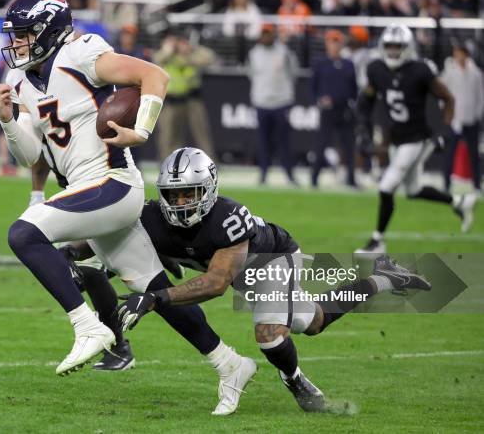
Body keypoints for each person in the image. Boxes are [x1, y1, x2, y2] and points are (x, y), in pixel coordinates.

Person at [0, 0, 254, 406]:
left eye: (25, 34)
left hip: (113, 183)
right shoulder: (19, 82)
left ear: (49, 30)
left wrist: (143, 130)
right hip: (87, 190)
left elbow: (156, 76)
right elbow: (29, 155)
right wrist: (8, 119)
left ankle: (88, 326)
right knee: (157, 290)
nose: (17, 44)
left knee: (23, 233)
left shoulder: (82, 53)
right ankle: (230, 363)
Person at [111, 147, 432, 413]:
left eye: (188, 194)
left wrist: (156, 297)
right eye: (174, 195)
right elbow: (111, 243)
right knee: (314, 321)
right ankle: (384, 278)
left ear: (208, 189)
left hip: (273, 259)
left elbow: (217, 283)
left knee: (269, 335)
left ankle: (294, 378)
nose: (181, 204)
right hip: (242, 275)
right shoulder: (151, 218)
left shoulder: (227, 219)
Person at [355, 24, 477, 254]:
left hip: (418, 139)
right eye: (389, 46)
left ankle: (377, 241)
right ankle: (460, 202)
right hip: (397, 139)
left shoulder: (420, 70)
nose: (392, 51)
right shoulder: (376, 69)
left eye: (397, 46)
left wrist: (445, 130)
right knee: (412, 190)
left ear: (408, 47)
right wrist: (362, 130)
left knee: (386, 186)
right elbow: (365, 102)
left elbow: (448, 98)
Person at [153, 29, 216, 161]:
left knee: (201, 133)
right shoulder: (167, 56)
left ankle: (210, 162)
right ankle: (167, 163)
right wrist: (168, 50)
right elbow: (156, 59)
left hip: (191, 99)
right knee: (168, 135)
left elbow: (209, 57)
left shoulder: (191, 54)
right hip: (171, 101)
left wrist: (191, 49)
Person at [247, 24, 298, 185]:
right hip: (262, 102)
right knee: (263, 142)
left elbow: (293, 73)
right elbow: (250, 74)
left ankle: (289, 174)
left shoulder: (284, 52)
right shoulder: (253, 54)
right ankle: (263, 174)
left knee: (285, 142)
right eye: (263, 34)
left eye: (268, 34)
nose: (266, 37)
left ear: (273, 35)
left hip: (281, 102)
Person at [311, 29, 358, 188]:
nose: (334, 45)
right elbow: (313, 87)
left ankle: (351, 179)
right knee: (321, 144)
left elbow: (353, 89)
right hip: (328, 111)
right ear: (327, 44)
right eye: (331, 41)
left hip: (344, 110)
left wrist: (352, 104)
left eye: (337, 41)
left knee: (349, 146)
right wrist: (319, 100)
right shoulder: (321, 64)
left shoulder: (348, 64)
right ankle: (314, 179)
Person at [440, 41, 484, 193]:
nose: (457, 57)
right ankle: (446, 184)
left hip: (471, 120)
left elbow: (480, 96)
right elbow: (441, 92)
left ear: (466, 55)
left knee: (474, 154)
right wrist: (448, 113)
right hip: (455, 120)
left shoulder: (476, 73)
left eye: (460, 53)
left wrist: (477, 114)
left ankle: (477, 185)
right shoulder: (450, 71)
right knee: (449, 153)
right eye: (456, 54)